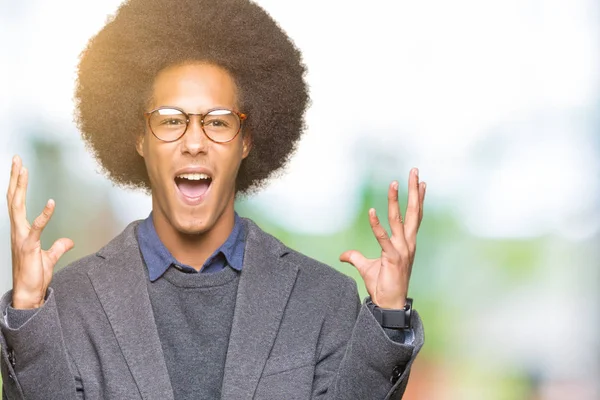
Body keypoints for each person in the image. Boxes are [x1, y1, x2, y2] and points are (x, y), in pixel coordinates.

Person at [1, 0, 426, 398]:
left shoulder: (322, 299)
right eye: (170, 120)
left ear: (245, 141)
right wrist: (25, 310)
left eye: (218, 123)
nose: (194, 143)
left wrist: (388, 312)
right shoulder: (72, 300)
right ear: (138, 138)